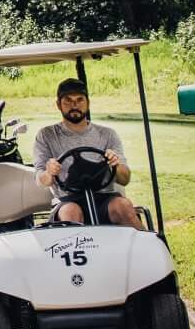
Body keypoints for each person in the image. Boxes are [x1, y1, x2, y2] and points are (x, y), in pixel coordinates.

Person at [32, 78, 142, 228]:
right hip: (67, 200)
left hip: (105, 197)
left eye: (79, 100)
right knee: (71, 212)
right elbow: (41, 180)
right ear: (58, 104)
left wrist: (116, 165)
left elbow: (125, 179)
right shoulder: (47, 135)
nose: (74, 105)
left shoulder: (107, 134)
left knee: (124, 206)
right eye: (68, 101)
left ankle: (151, 249)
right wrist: (49, 172)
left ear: (88, 103)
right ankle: (80, 251)